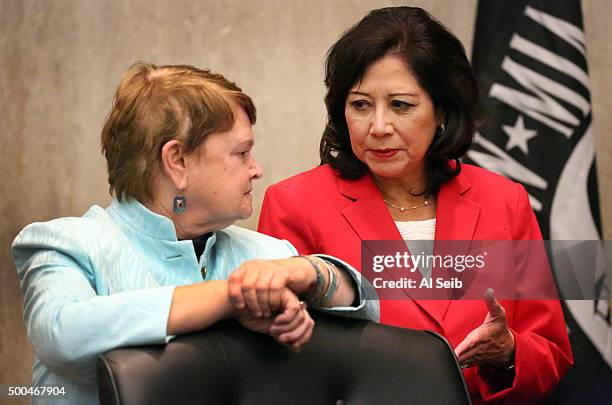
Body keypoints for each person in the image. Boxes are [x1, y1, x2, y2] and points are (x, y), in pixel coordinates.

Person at [258, 7, 572, 404]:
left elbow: (551, 353)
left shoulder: (503, 200)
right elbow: (275, 360)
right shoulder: (294, 204)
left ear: (442, 110)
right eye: (360, 105)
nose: (379, 126)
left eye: (401, 105)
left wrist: (508, 354)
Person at [12, 62, 375, 404]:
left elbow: (371, 311)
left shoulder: (265, 255)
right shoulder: (64, 244)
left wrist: (310, 273)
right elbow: (61, 334)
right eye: (242, 152)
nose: (256, 169)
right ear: (178, 162)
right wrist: (229, 298)